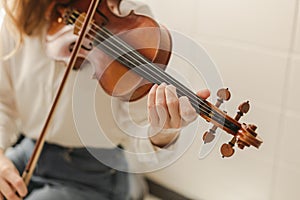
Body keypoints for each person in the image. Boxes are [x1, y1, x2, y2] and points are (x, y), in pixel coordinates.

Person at [0, 0, 210, 199]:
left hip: (94, 172)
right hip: (30, 152)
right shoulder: (20, 13)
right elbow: (3, 102)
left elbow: (138, 132)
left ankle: (127, 186)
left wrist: (163, 132)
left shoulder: (129, 19)